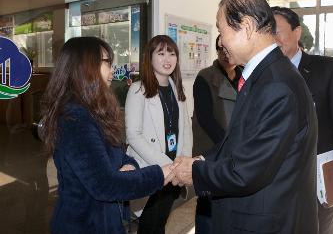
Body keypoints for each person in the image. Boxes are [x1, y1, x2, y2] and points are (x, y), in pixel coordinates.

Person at [171, 0, 319, 234]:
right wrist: (203, 159)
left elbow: (247, 172)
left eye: (222, 31)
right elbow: (243, 142)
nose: (220, 41)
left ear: (247, 27)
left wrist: (195, 171)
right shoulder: (264, 76)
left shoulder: (276, 85)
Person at [40, 36, 173, 234]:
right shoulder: (74, 118)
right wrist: (160, 174)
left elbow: (122, 156)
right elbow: (105, 184)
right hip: (83, 225)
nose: (112, 70)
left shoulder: (94, 111)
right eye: (107, 63)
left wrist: (130, 165)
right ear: (84, 65)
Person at [272, 6, 333, 234]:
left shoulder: (329, 69)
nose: (272, 39)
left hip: (319, 183)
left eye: (277, 31)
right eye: (267, 32)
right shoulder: (263, 75)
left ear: (296, 32)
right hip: (275, 186)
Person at [125, 35, 192, 234]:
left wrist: (183, 162)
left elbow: (186, 129)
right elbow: (133, 134)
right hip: (151, 168)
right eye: (161, 53)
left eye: (172, 54)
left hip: (175, 168)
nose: (167, 59)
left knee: (160, 222)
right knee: (149, 224)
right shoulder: (138, 89)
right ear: (150, 58)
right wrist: (168, 165)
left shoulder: (177, 89)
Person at [192, 34, 242, 233]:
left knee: (228, 201)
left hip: (236, 150)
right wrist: (227, 143)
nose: (225, 54)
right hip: (211, 148)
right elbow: (205, 118)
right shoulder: (205, 77)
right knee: (207, 202)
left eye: (229, 49)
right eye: (221, 49)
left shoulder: (244, 76)